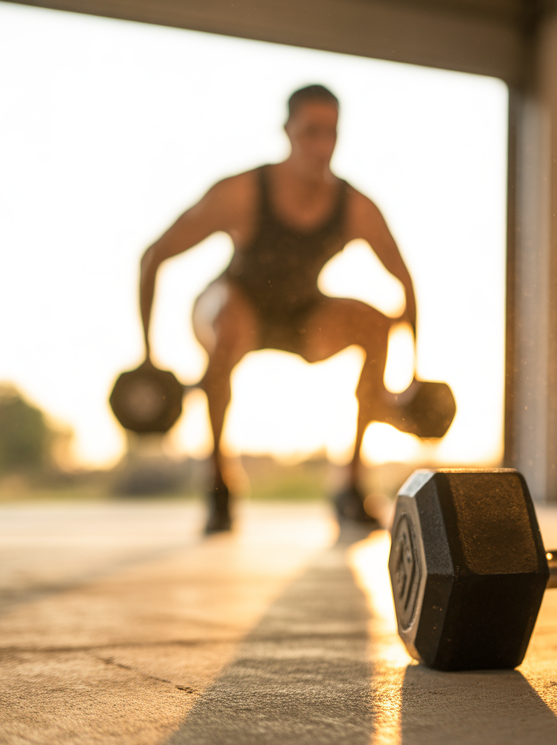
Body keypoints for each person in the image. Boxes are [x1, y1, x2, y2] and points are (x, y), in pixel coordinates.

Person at [138, 84, 417, 533]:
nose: (320, 145)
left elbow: (404, 282)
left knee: (374, 325)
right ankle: (218, 482)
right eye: (310, 132)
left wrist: (409, 376)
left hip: (303, 316)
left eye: (330, 133)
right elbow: (154, 257)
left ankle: (349, 483)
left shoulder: (355, 207)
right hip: (235, 304)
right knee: (228, 319)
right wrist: (147, 357)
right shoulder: (243, 192)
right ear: (287, 131)